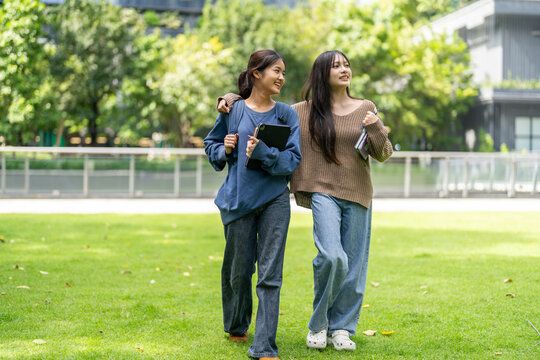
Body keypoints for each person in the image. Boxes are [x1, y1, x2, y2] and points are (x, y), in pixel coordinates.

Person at [217, 50, 393, 351]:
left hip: (359, 192)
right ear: (322, 74)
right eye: (336, 65)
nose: (344, 69)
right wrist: (232, 96)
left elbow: (383, 153)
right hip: (322, 191)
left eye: (347, 65)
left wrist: (375, 126)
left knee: (354, 266)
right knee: (332, 257)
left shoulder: (366, 107)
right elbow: (262, 105)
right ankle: (319, 323)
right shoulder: (302, 110)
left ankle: (342, 328)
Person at [204, 49, 301, 360]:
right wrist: (225, 150)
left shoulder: (286, 114)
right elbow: (211, 145)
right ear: (257, 73)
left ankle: (264, 346)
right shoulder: (232, 109)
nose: (282, 77)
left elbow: (293, 159)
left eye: (283, 72)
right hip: (238, 201)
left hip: (274, 200)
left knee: (270, 274)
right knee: (239, 270)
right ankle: (236, 324)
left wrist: (264, 154)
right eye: (276, 70)